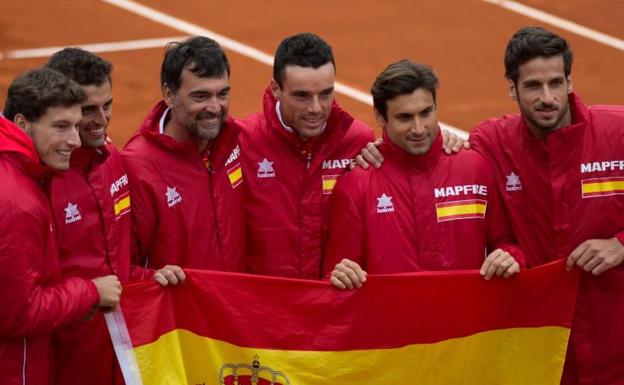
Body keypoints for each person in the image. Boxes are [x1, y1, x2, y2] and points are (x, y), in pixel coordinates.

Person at [469, 27, 624, 385]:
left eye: (556, 83)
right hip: (549, 348)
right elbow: (500, 235)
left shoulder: (617, 133)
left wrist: (620, 243)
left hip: (616, 336)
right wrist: (511, 254)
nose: (548, 97)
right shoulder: (491, 142)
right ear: (511, 88)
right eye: (533, 86)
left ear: (570, 82)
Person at [44, 48, 185, 385]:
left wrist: (149, 277)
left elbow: (117, 262)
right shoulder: (41, 182)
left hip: (121, 351)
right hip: (63, 357)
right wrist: (91, 294)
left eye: (107, 105)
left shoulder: (114, 161)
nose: (102, 119)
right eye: (88, 110)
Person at [324, 60, 523, 289]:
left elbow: (507, 243)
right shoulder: (355, 185)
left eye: (426, 113)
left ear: (436, 107)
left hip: (467, 322)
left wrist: (510, 256)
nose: (418, 129)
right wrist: (339, 276)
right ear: (380, 117)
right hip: (391, 324)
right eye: (405, 118)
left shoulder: (476, 168)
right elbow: (337, 273)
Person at [0, 68, 121, 385]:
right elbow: (19, 314)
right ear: (22, 123)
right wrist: (91, 291)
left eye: (76, 127)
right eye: (60, 127)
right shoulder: (17, 201)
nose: (73, 140)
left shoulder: (19, 175)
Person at [237, 33, 376, 278]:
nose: (316, 108)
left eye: (325, 93)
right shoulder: (242, 141)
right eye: (302, 96)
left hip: (332, 299)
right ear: (276, 90)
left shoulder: (358, 141)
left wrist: (444, 142)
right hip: (266, 302)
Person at [122, 36, 245, 271]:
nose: (215, 107)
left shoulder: (235, 139)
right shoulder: (138, 167)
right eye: (201, 96)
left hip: (231, 303)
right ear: (169, 95)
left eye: (222, 94)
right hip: (179, 306)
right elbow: (125, 267)